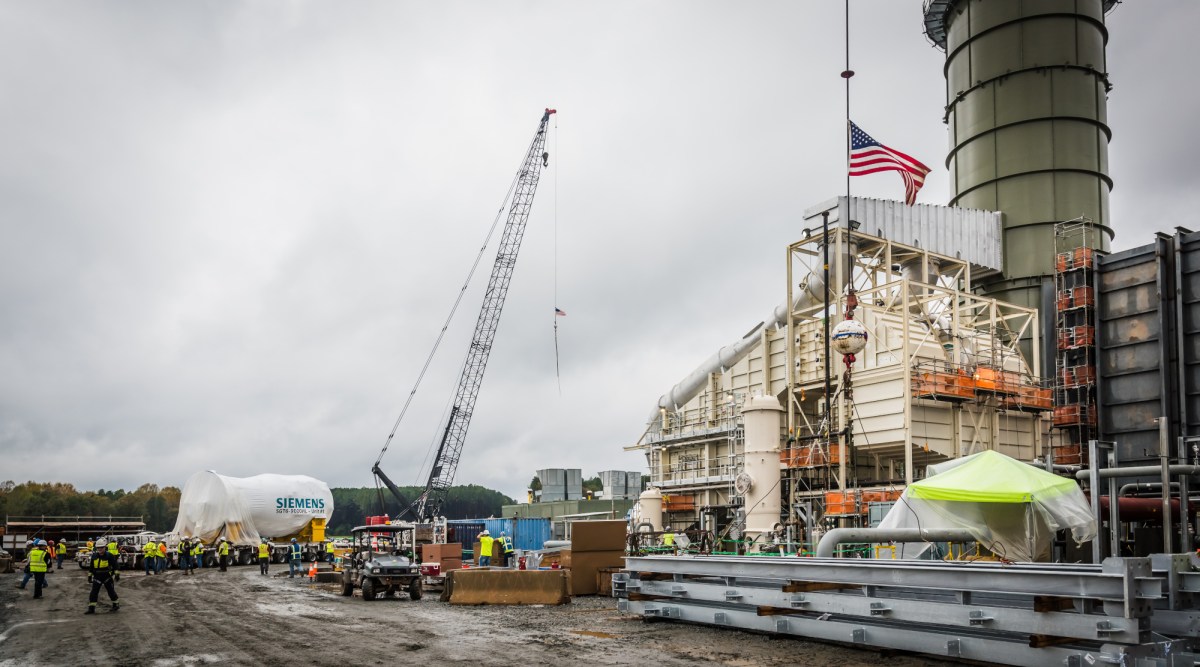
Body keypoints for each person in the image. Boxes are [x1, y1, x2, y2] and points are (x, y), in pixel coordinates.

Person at [85, 538, 120, 614]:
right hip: (97, 576)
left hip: (107, 576)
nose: (100, 549)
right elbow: (91, 567)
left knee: (111, 591)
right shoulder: (94, 556)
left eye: (101, 547)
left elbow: (115, 565)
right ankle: (91, 608)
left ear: (105, 547)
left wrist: (117, 574)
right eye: (98, 547)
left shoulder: (109, 556)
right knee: (93, 593)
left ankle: (115, 605)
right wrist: (89, 576)